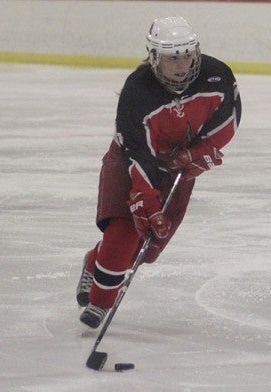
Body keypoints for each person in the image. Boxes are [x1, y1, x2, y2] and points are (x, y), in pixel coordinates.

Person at [76, 16, 241, 328]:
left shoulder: (217, 75)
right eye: (172, 58)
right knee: (125, 232)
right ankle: (100, 304)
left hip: (179, 167)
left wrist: (202, 150)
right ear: (154, 58)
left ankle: (93, 260)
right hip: (130, 163)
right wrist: (145, 199)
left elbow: (229, 117)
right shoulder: (137, 92)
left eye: (187, 56)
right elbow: (137, 152)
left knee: (148, 246)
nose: (181, 65)